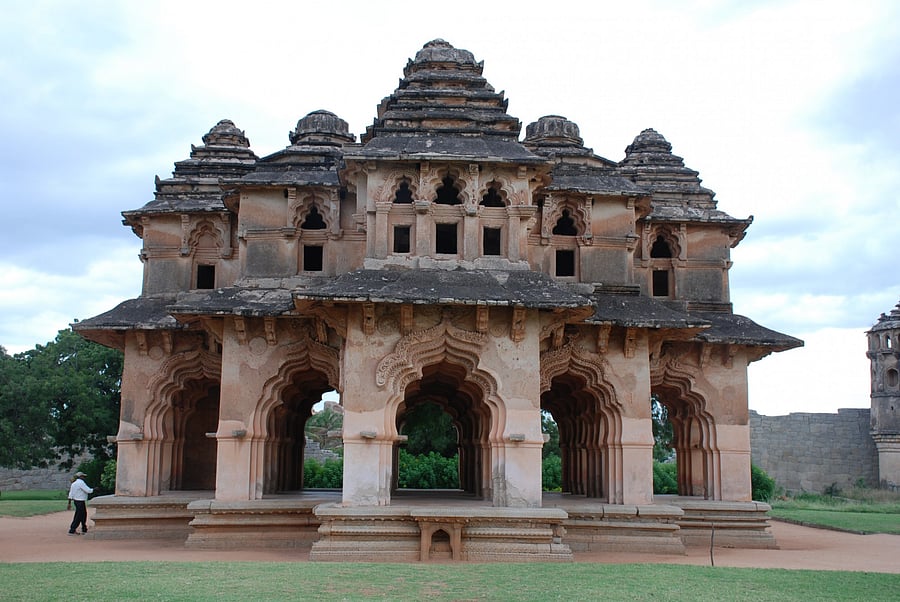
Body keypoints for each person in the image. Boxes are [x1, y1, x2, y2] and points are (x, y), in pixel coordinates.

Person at [67, 471, 93, 535]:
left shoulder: (73, 484)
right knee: (79, 516)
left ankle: (84, 528)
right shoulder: (81, 483)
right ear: (80, 477)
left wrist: (69, 503)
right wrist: (94, 489)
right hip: (80, 501)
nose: (84, 478)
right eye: (83, 476)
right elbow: (88, 490)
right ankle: (72, 530)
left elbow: (70, 494)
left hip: (76, 501)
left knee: (82, 515)